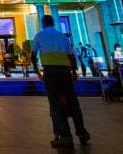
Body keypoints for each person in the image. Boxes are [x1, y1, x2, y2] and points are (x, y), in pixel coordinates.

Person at [32, 15, 90, 148]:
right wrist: (74, 72)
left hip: (50, 72)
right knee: (73, 102)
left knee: (55, 104)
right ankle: (82, 132)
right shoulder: (62, 36)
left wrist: (37, 72)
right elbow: (71, 55)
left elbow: (33, 55)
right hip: (65, 71)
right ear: (53, 23)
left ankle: (65, 136)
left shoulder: (39, 36)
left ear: (43, 23)